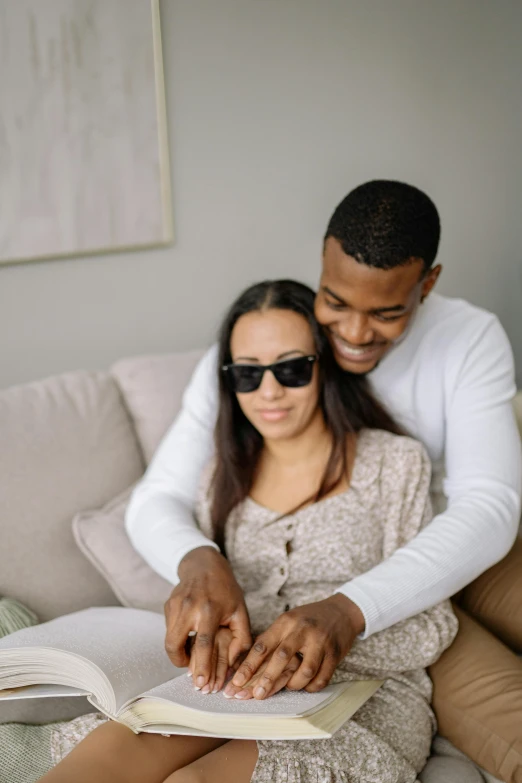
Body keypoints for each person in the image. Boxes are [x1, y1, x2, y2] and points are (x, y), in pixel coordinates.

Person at [126, 180, 522, 782]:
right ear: (320, 265)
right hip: (387, 587)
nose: (356, 334)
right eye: (337, 302)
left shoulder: (469, 338)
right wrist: (198, 558)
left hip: (465, 554)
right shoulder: (279, 345)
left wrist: (349, 608)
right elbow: (158, 496)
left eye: (387, 312)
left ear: (429, 284)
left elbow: (490, 506)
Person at [40, 279, 458, 783]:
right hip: (229, 683)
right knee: (103, 756)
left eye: (291, 368)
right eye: (247, 375)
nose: (269, 391)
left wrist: (317, 642)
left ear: (325, 365)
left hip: (361, 693)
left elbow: (432, 625)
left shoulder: (395, 464)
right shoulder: (220, 474)